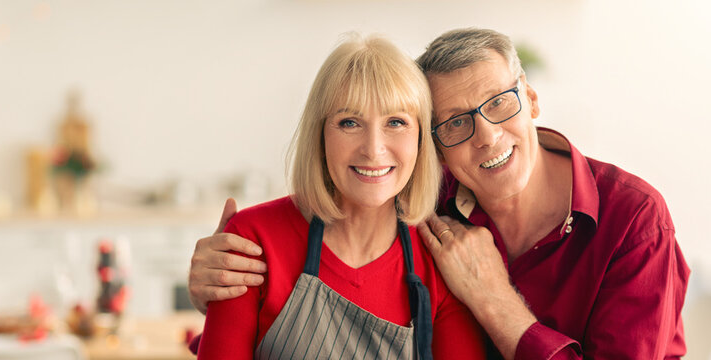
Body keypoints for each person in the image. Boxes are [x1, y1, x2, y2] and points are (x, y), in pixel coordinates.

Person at [188, 28, 691, 359]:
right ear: (434, 145)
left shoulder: (634, 220)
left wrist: (497, 301)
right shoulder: (429, 204)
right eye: (454, 123)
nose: (487, 136)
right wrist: (216, 292)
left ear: (531, 99)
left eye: (500, 103)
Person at [196, 33, 486, 359]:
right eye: (349, 122)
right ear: (320, 135)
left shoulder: (441, 263)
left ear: (421, 140)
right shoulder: (251, 241)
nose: (373, 149)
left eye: (396, 122)